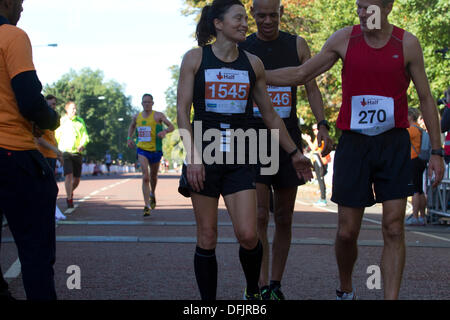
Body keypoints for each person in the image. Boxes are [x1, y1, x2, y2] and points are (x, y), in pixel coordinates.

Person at [265, 0, 445, 299]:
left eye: (368, 7)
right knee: (347, 231)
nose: (361, 13)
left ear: (387, 7)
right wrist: (255, 73)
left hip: (393, 143)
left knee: (393, 226)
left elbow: (426, 98)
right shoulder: (343, 39)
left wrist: (436, 151)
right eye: (359, 7)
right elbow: (301, 74)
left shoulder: (407, 43)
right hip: (354, 143)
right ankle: (346, 289)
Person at [176, 0, 313, 300]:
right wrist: (192, 157)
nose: (244, 24)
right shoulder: (195, 59)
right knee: (207, 236)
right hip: (205, 156)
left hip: (241, 155)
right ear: (218, 24)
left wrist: (294, 152)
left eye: (243, 19)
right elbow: (183, 113)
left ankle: (253, 291)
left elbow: (271, 115)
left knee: (249, 235)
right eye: (237, 18)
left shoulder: (252, 64)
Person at [238, 0, 332, 300]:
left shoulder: (297, 45)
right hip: (253, 138)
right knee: (260, 215)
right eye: (261, 15)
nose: (268, 21)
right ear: (252, 14)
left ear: (282, 13)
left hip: (287, 139)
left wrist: (322, 123)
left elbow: (311, 87)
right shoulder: (242, 46)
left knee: (284, 217)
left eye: (273, 15)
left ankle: (276, 283)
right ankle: (260, 284)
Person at [0, 0, 60, 300]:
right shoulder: (12, 36)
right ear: (7, 3)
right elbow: (28, 98)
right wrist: (51, 119)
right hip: (13, 152)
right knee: (35, 246)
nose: (21, 9)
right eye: (20, 3)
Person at [127, 94, 174, 216]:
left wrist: (164, 131)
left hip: (156, 150)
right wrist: (129, 138)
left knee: (153, 176)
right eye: (144, 102)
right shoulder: (137, 117)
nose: (147, 104)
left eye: (149, 102)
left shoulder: (158, 115)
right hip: (142, 150)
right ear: (141, 104)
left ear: (152, 103)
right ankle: (146, 205)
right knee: (145, 177)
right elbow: (132, 126)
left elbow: (172, 126)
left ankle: (153, 193)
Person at [35, 94, 66, 221]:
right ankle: (47, 212)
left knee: (51, 186)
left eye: (54, 104)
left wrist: (58, 155)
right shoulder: (42, 119)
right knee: (48, 187)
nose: (53, 106)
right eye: (50, 104)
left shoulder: (52, 120)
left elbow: (53, 140)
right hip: (43, 156)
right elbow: (39, 139)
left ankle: (50, 211)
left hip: (52, 156)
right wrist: (55, 150)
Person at [55, 101, 90, 209]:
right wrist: (58, 151)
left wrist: (82, 144)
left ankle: (69, 192)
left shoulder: (80, 121)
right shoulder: (62, 121)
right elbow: (56, 135)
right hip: (65, 152)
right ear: (67, 110)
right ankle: (69, 199)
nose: (74, 110)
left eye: (75, 108)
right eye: (72, 108)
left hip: (77, 152)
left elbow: (85, 135)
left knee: (77, 179)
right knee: (68, 175)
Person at [406, 108, 427, 226]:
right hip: (421, 160)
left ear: (410, 116)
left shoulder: (411, 129)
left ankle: (414, 217)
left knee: (415, 190)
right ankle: (422, 216)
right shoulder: (419, 128)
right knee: (420, 190)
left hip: (413, 159)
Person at [303, 124, 332, 207]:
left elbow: (314, 148)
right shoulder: (317, 138)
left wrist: (307, 140)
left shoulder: (321, 137)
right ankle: (322, 198)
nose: (315, 131)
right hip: (318, 160)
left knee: (321, 179)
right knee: (319, 179)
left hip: (321, 161)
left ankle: (323, 199)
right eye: (313, 129)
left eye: (316, 129)